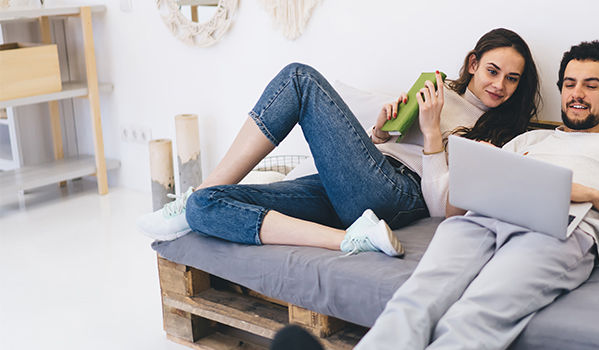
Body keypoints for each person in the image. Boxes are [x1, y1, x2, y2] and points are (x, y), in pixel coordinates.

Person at [353, 40, 599, 349]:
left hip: (560, 226)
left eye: (590, 85)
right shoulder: (529, 141)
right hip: (483, 219)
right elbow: (452, 212)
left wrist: (590, 195)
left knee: (473, 316)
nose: (576, 94)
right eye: (569, 84)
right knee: (414, 301)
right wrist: (477, 171)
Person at [135, 28, 541, 257]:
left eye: (512, 79)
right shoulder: (436, 90)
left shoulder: (503, 134)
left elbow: (441, 208)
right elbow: (384, 149)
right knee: (206, 206)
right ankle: (351, 237)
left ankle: (198, 187)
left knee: (299, 78)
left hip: (400, 194)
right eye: (492, 70)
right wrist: (382, 132)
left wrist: (434, 133)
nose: (499, 85)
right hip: (355, 187)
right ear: (473, 64)